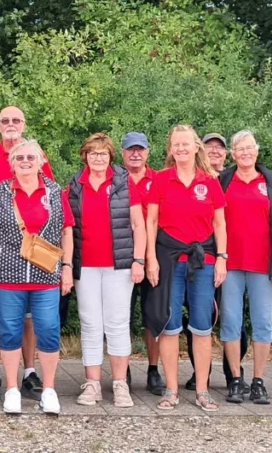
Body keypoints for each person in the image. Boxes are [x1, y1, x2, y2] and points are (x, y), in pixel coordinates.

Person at [0, 106, 56, 400]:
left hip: (34, 253)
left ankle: (31, 371)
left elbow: (51, 199)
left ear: (24, 124)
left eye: (16, 120)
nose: (10, 125)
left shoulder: (34, 153)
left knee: (32, 316)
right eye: (5, 120)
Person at [144, 124, 227, 412]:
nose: (180, 148)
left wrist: (222, 258)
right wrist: (150, 259)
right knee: (169, 327)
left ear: (195, 147)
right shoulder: (161, 180)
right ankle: (171, 389)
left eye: (185, 144)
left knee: (202, 328)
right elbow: (151, 222)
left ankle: (202, 391)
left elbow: (219, 223)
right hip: (168, 260)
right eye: (175, 144)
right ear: (170, 149)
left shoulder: (211, 181)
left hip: (202, 261)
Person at [0, 139, 74, 414]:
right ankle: (12, 389)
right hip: (8, 274)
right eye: (19, 158)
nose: (25, 162)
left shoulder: (54, 191)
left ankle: (49, 389)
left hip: (46, 274)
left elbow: (67, 231)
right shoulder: (0, 191)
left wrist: (67, 267)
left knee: (49, 329)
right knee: (10, 331)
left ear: (40, 161)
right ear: (11, 163)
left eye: (30, 157)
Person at [66, 133, 147, 408]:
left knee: (117, 324)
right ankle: (92, 385)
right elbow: (67, 226)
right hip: (85, 265)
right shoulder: (76, 185)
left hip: (119, 265)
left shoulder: (124, 183)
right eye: (92, 153)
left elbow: (139, 225)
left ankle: (120, 384)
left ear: (111, 156)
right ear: (85, 156)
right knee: (90, 325)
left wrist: (139, 261)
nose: (98, 158)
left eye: (102, 154)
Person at [217, 130, 272, 405]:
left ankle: (258, 381)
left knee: (262, 325)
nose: (245, 153)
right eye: (239, 149)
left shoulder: (271, 183)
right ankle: (236, 379)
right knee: (230, 323)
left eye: (249, 148)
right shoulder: (223, 181)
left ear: (257, 151)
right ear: (232, 154)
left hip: (262, 265)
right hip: (230, 264)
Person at [120, 131, 162, 394]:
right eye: (130, 149)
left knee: (153, 316)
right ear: (123, 153)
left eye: (140, 149)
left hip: (154, 257)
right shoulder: (114, 179)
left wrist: (151, 258)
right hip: (123, 257)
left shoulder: (158, 180)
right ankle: (121, 368)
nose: (136, 154)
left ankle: (153, 369)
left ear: (148, 152)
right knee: (121, 317)